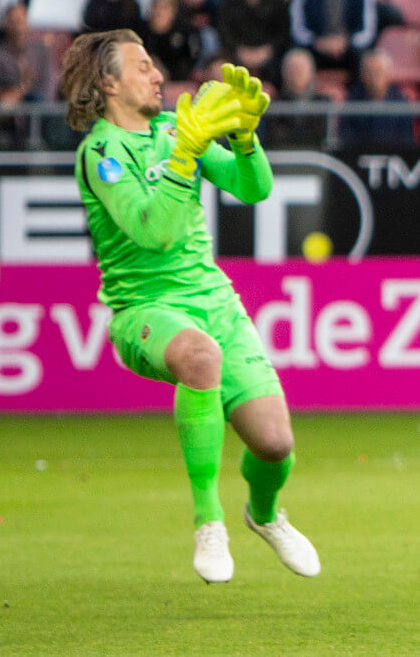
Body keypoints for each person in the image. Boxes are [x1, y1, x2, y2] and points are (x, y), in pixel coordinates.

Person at [62, 29, 320, 583]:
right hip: (146, 311)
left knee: (275, 445)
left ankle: (267, 516)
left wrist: (246, 139)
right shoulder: (102, 153)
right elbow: (153, 231)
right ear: (109, 83)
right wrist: (184, 156)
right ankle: (209, 520)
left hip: (215, 304)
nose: (158, 76)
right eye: (143, 67)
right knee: (199, 357)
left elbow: (254, 190)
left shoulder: (176, 129)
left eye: (155, 66)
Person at [0, 3, 55, 148]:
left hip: (38, 118)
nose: (18, 27)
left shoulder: (41, 52)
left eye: (21, 21)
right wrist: (24, 87)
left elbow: (49, 89)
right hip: (5, 120)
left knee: (37, 101)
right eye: (13, 22)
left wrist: (17, 94)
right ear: (5, 24)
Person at [218, 0, 291, 75]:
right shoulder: (228, 2)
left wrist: (267, 51)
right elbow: (224, 33)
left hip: (271, 57)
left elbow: (283, 34)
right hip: (237, 56)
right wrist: (239, 50)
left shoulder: (277, 2)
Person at [339, 49, 415, 148]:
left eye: (378, 72)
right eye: (369, 72)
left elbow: (407, 142)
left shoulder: (401, 104)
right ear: (362, 76)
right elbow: (346, 139)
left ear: (388, 74)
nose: (373, 77)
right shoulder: (352, 102)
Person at [270, 47, 332, 148]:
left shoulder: (324, 103)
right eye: (293, 68)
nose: (297, 72)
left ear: (311, 72)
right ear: (284, 72)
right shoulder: (275, 105)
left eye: (301, 68)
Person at [141, 0, 203, 82]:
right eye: (155, 7)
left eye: (163, 8)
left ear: (173, 11)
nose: (158, 12)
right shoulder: (143, 30)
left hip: (179, 80)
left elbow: (191, 58)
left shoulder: (186, 32)